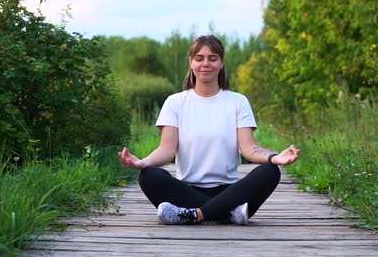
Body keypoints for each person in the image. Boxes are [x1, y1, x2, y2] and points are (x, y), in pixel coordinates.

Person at [118, 35, 300, 225]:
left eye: (213, 58)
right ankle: (227, 214)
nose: (206, 63)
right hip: (186, 190)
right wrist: (142, 163)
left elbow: (250, 149)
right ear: (191, 62)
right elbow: (166, 150)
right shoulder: (175, 103)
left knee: (270, 172)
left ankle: (194, 214)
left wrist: (275, 157)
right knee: (149, 176)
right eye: (199, 58)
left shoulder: (238, 102)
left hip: (229, 191)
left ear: (222, 62)